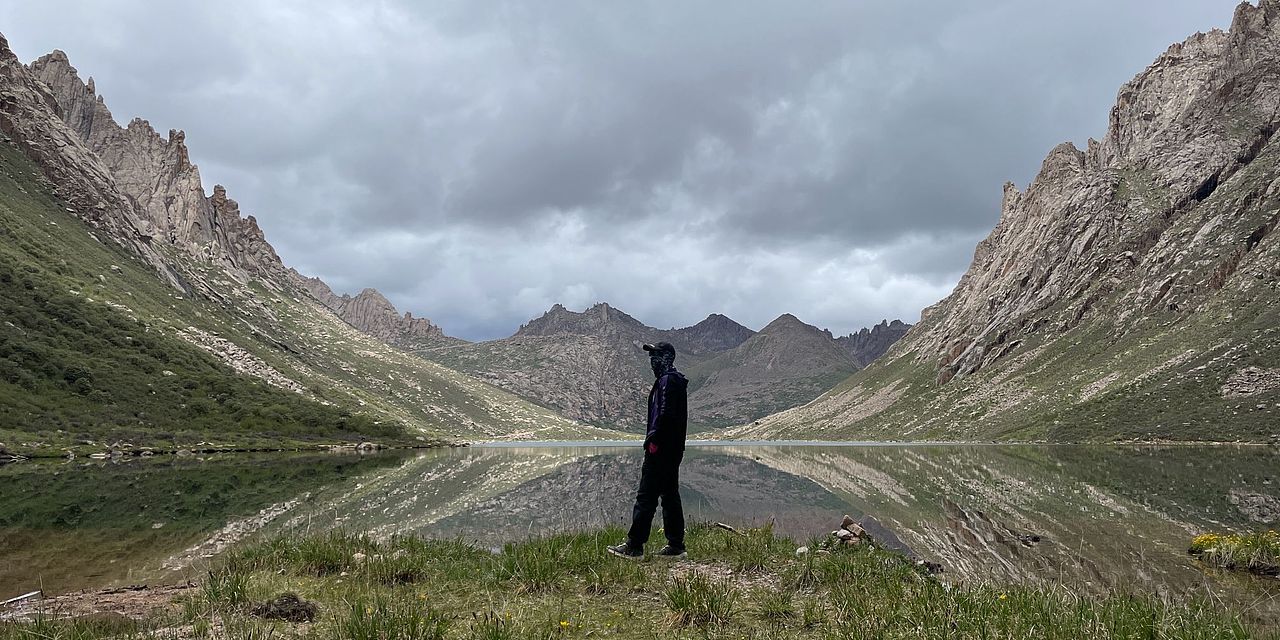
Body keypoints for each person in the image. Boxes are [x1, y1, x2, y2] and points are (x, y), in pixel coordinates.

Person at [608, 341, 689, 560]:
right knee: (670, 495)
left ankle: (635, 546)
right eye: (651, 356)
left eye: (656, 356)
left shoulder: (667, 382)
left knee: (646, 496)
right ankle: (676, 545)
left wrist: (655, 441)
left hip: (661, 450)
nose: (652, 361)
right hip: (673, 450)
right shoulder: (673, 381)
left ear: (667, 358)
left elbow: (665, 414)